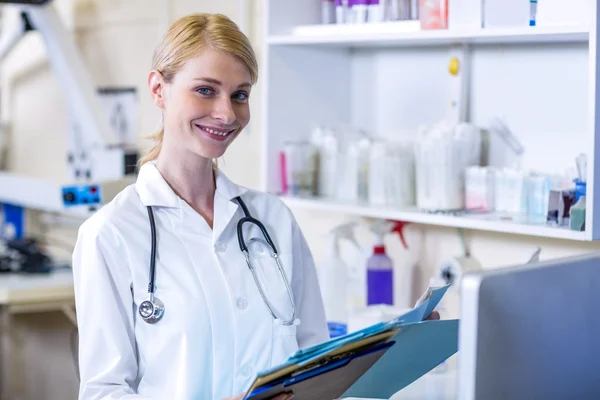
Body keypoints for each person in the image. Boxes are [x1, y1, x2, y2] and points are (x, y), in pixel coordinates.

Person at [72, 12, 438, 400]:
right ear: (158, 89)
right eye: (206, 90)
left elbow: (316, 363)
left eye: (240, 95)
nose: (227, 113)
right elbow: (103, 393)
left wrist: (393, 351)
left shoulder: (272, 219)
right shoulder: (110, 235)